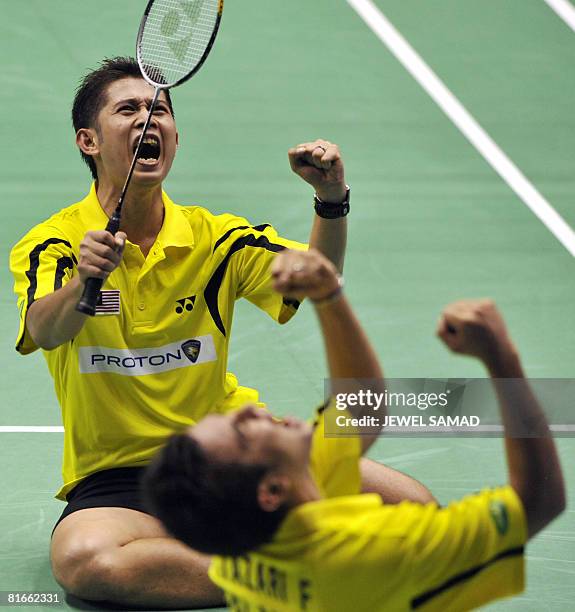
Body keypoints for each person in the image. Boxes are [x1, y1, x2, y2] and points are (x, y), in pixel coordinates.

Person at [10, 57, 434, 608]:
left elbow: (312, 280)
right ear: (88, 141)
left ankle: (221, 548)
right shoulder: (55, 244)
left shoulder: (218, 239)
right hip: (117, 476)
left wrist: (331, 202)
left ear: (176, 140)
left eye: (158, 110)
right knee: (86, 560)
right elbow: (44, 328)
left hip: (226, 455)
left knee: (412, 510)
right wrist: (85, 283)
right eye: (129, 109)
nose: (147, 120)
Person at [145, 248, 566, 612]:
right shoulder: (374, 550)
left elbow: (359, 409)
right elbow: (538, 503)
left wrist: (328, 297)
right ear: (270, 491)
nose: (251, 412)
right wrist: (502, 360)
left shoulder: (240, 538)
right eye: (244, 433)